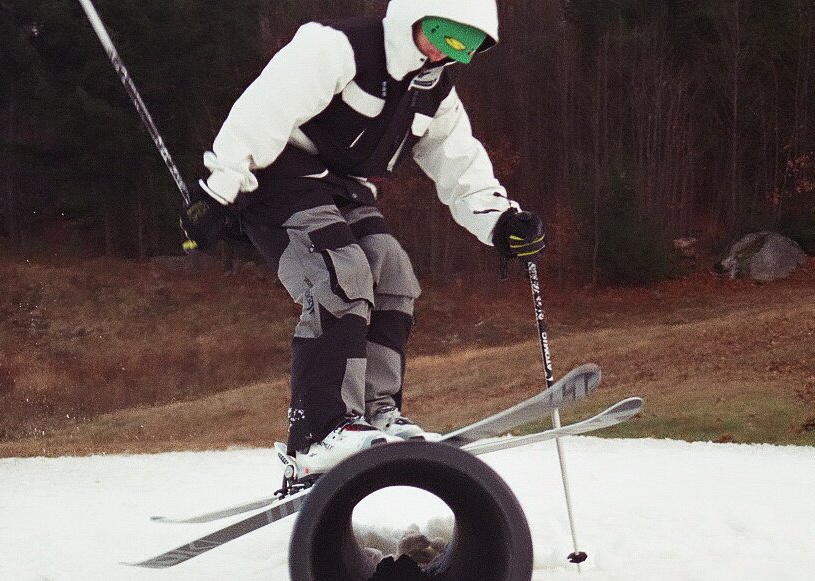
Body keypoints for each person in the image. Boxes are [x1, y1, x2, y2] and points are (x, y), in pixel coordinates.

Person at [181, 0, 546, 477]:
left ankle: (376, 411)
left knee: (392, 270)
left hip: (343, 186)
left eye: (464, 46)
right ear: (412, 16)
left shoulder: (434, 92)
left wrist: (501, 221)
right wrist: (218, 190)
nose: (443, 53)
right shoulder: (337, 48)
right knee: (341, 271)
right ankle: (318, 432)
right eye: (439, 34)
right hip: (277, 177)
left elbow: (460, 166)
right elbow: (264, 110)